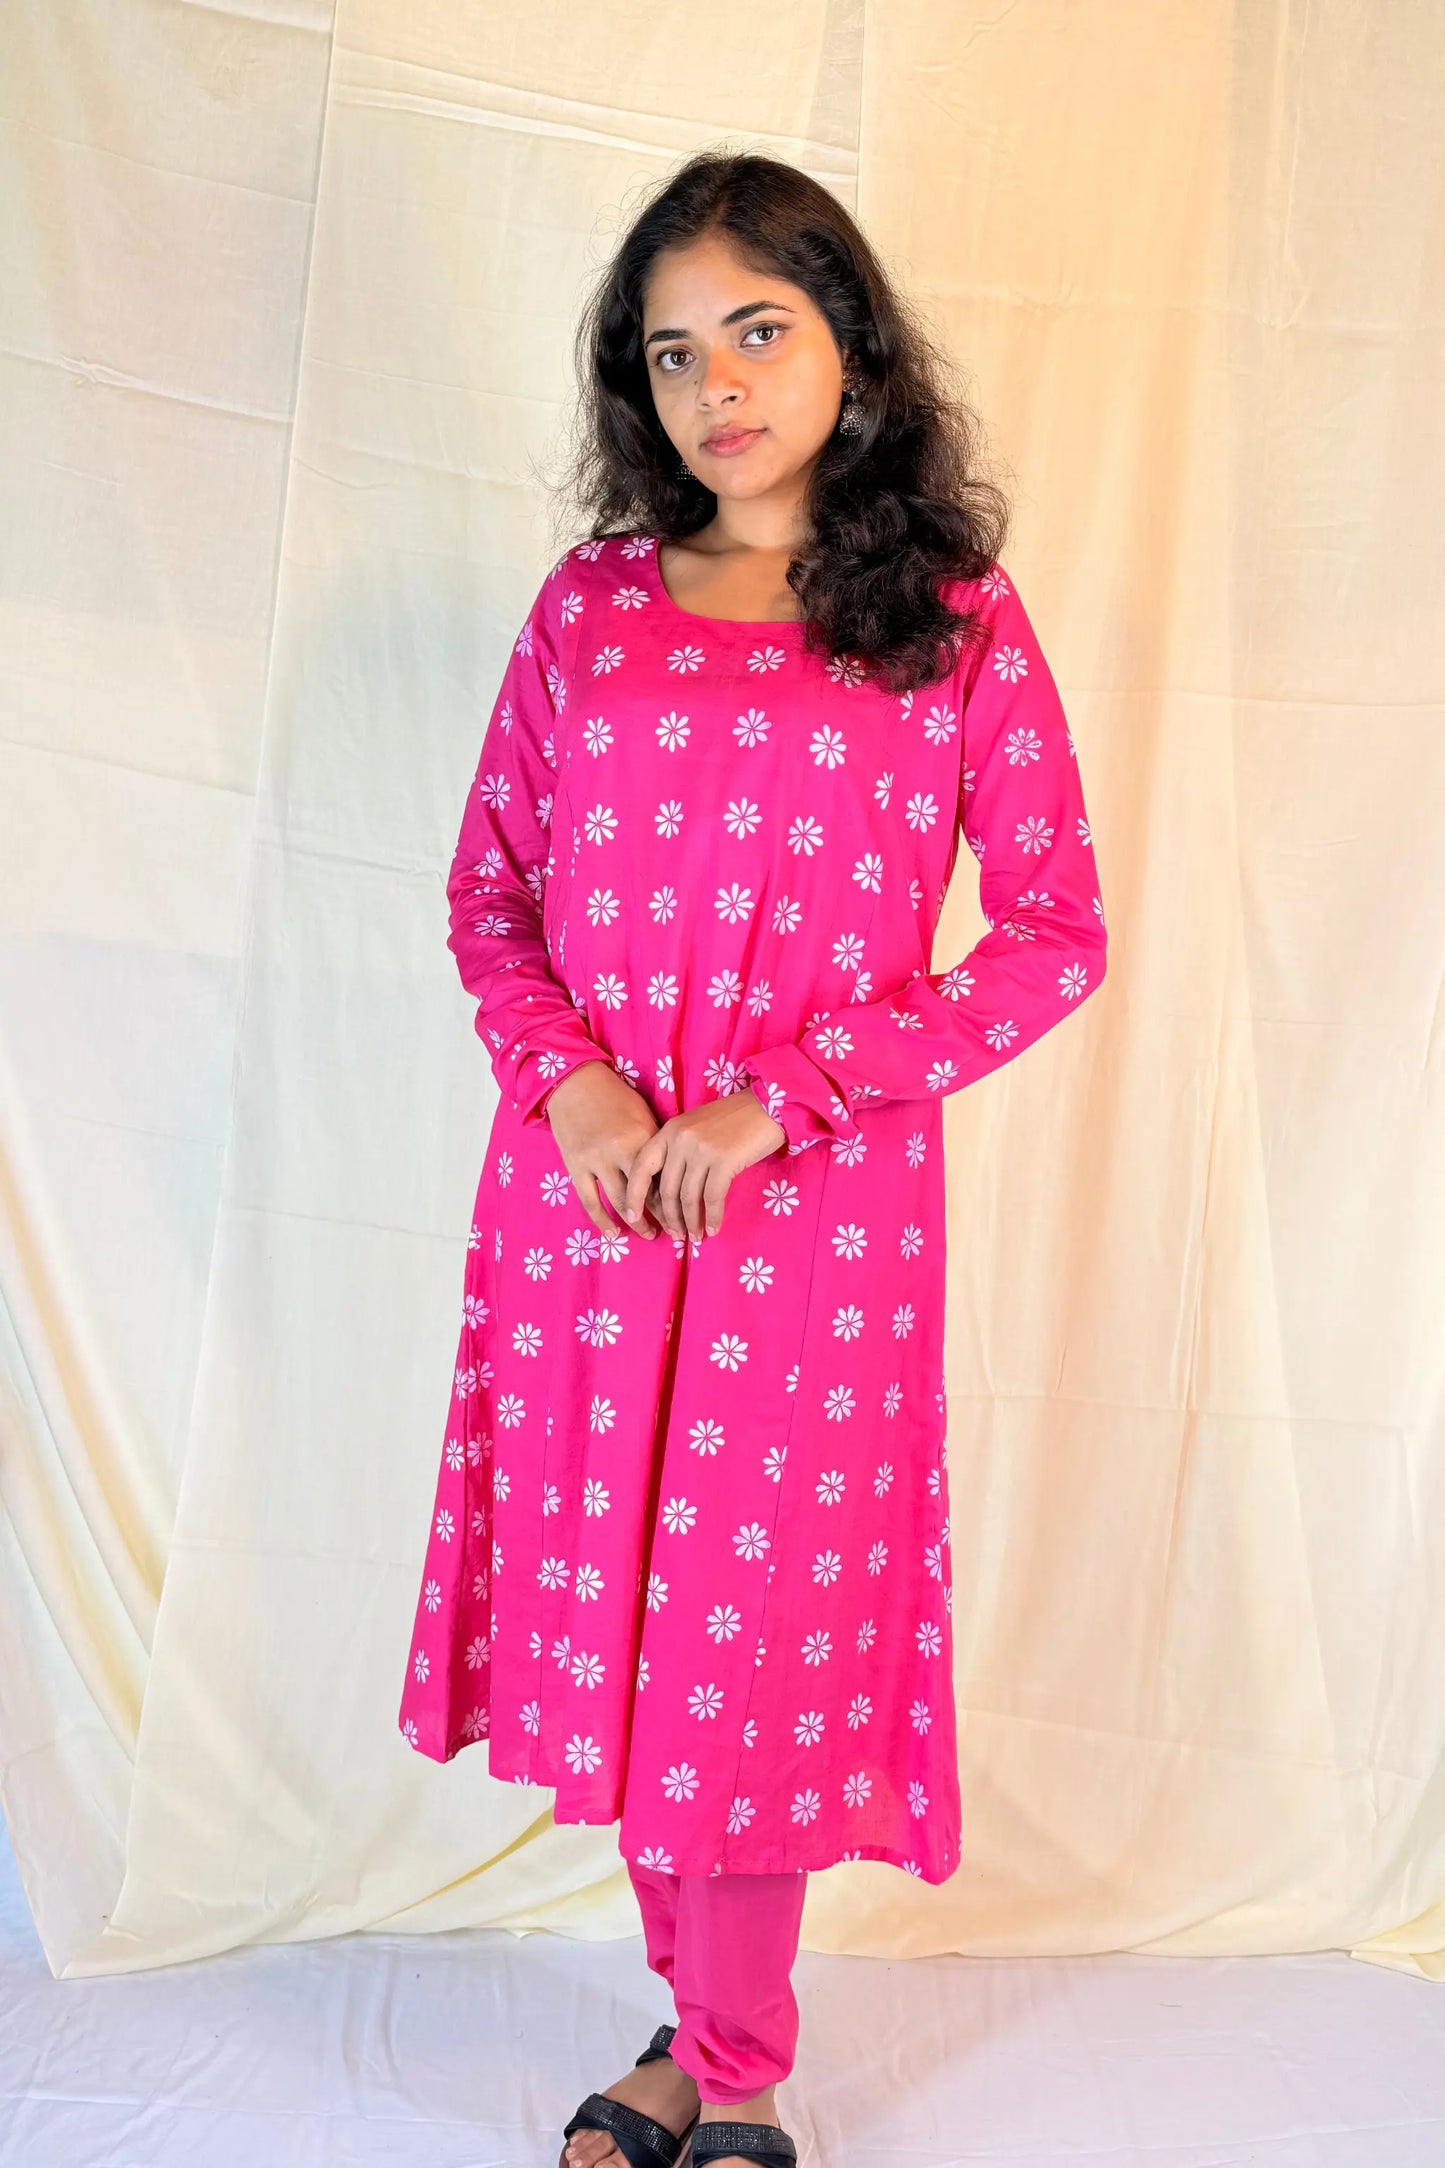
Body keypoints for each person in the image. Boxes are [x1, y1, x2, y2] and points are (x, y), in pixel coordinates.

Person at [397, 149, 1107, 2168]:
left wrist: (777, 1097)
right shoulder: (590, 609)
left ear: (852, 340)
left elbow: (1056, 935)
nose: (718, 382)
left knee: (750, 1641)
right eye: (673, 350)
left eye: (760, 329)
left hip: (815, 1231)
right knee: (626, 1624)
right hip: (592, 1211)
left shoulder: (950, 621)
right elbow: (488, 894)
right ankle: (697, 2039)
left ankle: (738, 2066)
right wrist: (579, 1092)